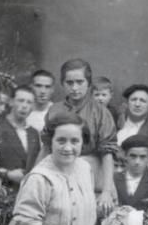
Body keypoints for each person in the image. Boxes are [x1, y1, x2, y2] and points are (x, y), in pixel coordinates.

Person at [45, 58, 118, 216]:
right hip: (59, 174)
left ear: (88, 83)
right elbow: (45, 148)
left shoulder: (100, 112)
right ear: (63, 83)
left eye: (80, 82)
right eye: (69, 83)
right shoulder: (54, 110)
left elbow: (107, 153)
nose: (75, 88)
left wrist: (106, 191)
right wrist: (33, 177)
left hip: (93, 177)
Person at [0, 85, 41, 186]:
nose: (24, 106)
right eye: (21, 100)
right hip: (0, 193)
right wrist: (7, 174)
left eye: (29, 102)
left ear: (33, 106)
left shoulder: (33, 134)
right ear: (11, 102)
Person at [114, 134, 148, 211]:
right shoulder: (115, 179)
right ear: (126, 156)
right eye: (133, 156)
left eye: (142, 157)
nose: (137, 162)